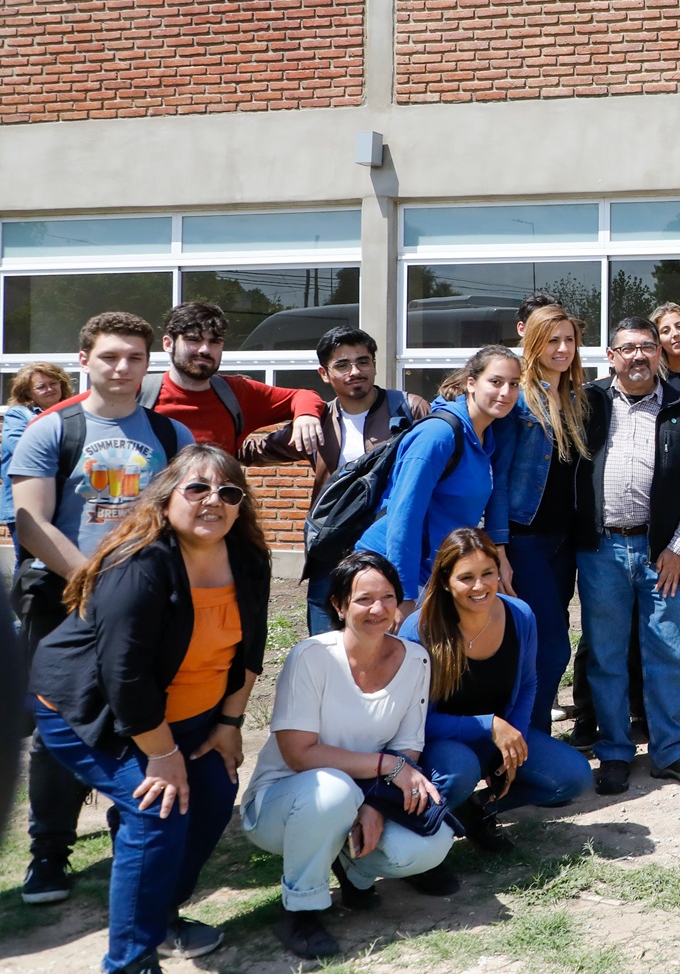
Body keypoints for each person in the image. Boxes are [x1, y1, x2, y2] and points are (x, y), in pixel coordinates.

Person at [29, 446, 269, 970]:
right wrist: (161, 756)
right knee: (157, 809)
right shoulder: (139, 563)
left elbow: (251, 646)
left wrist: (229, 723)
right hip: (91, 708)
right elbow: (125, 675)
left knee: (213, 791)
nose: (214, 502)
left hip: (190, 712)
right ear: (165, 499)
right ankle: (132, 961)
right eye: (197, 489)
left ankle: (159, 912)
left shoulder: (247, 558)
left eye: (229, 493)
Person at [9, 312, 194, 906]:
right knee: (57, 728)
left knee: (140, 713)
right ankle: (49, 854)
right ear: (83, 360)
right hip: (62, 600)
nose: (123, 368)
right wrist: (90, 582)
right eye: (110, 356)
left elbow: (184, 522)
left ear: (149, 363)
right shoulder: (49, 429)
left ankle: (130, 835)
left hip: (146, 605)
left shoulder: (171, 438)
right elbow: (31, 522)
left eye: (135, 358)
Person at [242, 552, 456, 961]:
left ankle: (352, 870)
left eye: (388, 597)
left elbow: (408, 743)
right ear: (339, 605)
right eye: (363, 599)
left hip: (361, 792)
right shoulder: (312, 656)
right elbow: (299, 753)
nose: (378, 609)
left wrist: (374, 801)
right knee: (334, 791)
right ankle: (299, 910)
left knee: (429, 846)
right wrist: (384, 769)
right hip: (283, 804)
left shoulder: (415, 660)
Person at [577, 317, 680, 794]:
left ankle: (670, 750)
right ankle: (614, 752)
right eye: (628, 348)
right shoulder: (588, 402)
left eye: (648, 347)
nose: (639, 356)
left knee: (667, 651)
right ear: (611, 356)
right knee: (606, 655)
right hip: (601, 550)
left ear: (660, 354)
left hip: (663, 554)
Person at [401, 531, 591, 856]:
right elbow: (414, 722)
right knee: (461, 770)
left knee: (574, 776)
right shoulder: (420, 629)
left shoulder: (520, 615)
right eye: (467, 577)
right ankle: (419, 838)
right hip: (443, 742)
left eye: (488, 573)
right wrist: (490, 725)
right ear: (446, 581)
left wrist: (512, 744)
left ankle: (476, 809)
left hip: (498, 735)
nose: (480, 586)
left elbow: (529, 682)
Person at [487, 307, 590, 733]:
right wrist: (499, 548)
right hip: (525, 540)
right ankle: (526, 737)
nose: (562, 349)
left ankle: (531, 733)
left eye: (568, 340)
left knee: (548, 633)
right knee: (549, 646)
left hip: (565, 541)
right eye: (552, 340)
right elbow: (499, 476)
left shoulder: (579, 399)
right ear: (532, 345)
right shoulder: (520, 399)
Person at [354, 345, 517, 613]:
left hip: (432, 574)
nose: (505, 392)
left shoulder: (484, 437)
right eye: (496, 382)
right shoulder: (438, 435)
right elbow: (404, 516)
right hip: (388, 575)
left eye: (513, 384)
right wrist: (403, 595)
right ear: (471, 383)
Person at [114, 301, 326, 459]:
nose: (205, 350)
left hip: (215, 512)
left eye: (214, 342)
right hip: (149, 516)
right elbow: (82, 411)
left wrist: (306, 415)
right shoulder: (137, 391)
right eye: (193, 340)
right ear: (168, 343)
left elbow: (303, 396)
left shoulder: (235, 393)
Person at [246, 327, 429, 508]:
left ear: (374, 365)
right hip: (335, 533)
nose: (355, 372)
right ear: (324, 374)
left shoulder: (409, 409)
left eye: (363, 362)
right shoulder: (319, 422)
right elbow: (252, 451)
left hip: (392, 531)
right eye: (342, 366)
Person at [0, 362, 73, 536]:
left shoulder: (72, 412)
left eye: (54, 383)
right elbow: (22, 449)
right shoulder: (18, 415)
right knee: (28, 560)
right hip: (26, 505)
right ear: (28, 392)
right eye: (41, 386)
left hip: (63, 504)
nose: (49, 389)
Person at [650, 302, 680, 392]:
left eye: (679, 326)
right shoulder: (655, 383)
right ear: (658, 341)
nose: (675, 334)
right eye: (665, 331)